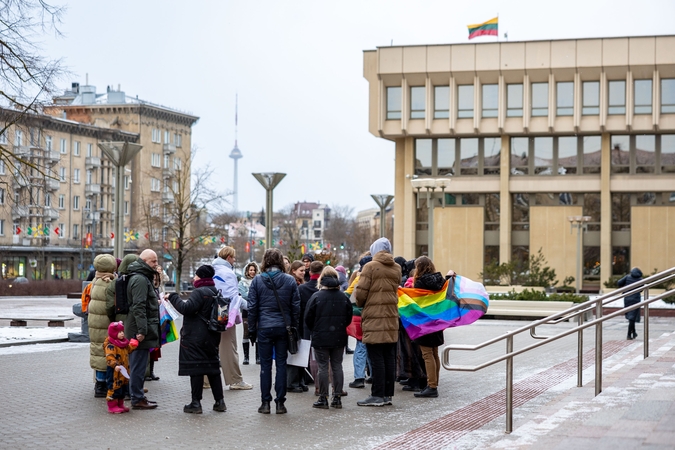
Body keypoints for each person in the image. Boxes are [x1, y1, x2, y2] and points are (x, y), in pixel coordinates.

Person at [248, 248, 301, 414]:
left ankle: (265, 403)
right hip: (283, 328)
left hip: (264, 327)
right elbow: (296, 307)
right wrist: (293, 326)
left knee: (265, 366)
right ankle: (280, 403)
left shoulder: (257, 281)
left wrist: (251, 330)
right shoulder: (290, 281)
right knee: (281, 364)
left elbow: (252, 308)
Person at [168, 265, 227, 414]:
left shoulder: (199, 292)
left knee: (196, 368)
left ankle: (196, 403)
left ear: (201, 277)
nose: (194, 278)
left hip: (196, 337)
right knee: (213, 368)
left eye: (196, 275)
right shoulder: (215, 291)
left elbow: (186, 309)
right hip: (212, 335)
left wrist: (173, 297)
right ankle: (219, 401)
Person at [354, 237, 401, 407]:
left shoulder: (370, 267)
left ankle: (377, 394)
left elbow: (360, 295)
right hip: (391, 318)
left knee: (376, 358)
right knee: (389, 357)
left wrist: (359, 302)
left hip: (374, 318)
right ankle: (388, 394)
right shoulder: (397, 267)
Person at [305, 266, 353, 409]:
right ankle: (337, 397)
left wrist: (316, 328)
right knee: (337, 366)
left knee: (323, 367)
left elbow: (308, 318)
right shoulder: (343, 297)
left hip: (321, 337)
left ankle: (323, 397)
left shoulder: (316, 297)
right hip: (339, 336)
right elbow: (348, 318)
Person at [213, 247, 253, 390]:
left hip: (209, 313)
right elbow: (233, 298)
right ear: (229, 257)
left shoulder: (211, 269)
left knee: (210, 347)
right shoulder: (228, 273)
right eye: (234, 258)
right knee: (228, 347)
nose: (234, 260)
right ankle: (235, 379)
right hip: (224, 314)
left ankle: (205, 380)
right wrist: (251, 306)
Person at [126, 249, 161, 410]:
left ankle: (138, 396)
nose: (156, 264)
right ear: (145, 261)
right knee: (138, 366)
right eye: (153, 261)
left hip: (140, 327)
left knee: (139, 364)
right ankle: (137, 398)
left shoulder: (142, 276)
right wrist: (141, 331)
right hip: (138, 330)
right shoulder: (140, 279)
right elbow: (138, 307)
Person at [409, 257, 449, 399]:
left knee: (427, 354)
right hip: (437, 321)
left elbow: (417, 303)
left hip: (425, 322)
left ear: (419, 267)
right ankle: (434, 383)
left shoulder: (420, 283)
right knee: (434, 353)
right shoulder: (441, 280)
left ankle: (431, 386)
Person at [288, 260, 323, 393]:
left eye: (304, 270)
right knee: (297, 354)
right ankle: (293, 382)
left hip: (303, 323)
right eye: (301, 271)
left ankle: (300, 381)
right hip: (300, 324)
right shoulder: (298, 286)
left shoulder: (302, 286)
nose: (303, 273)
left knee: (301, 354)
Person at [87, 254, 118, 398]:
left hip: (94, 324)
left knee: (98, 351)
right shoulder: (109, 282)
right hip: (106, 324)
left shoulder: (95, 280)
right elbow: (111, 305)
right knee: (106, 353)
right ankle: (102, 385)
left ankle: (99, 384)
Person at [346, 254, 372, 389]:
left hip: (361, 317)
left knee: (361, 347)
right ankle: (373, 375)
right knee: (373, 348)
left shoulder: (359, 280)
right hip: (375, 318)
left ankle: (359, 377)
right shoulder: (378, 278)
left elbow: (349, 297)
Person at [104, 321, 138, 414]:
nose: (122, 333)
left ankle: (120, 404)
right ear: (114, 333)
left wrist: (133, 345)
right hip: (114, 371)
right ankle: (112, 406)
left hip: (123, 371)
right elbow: (109, 357)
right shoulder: (111, 345)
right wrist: (115, 365)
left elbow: (128, 349)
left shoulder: (123, 343)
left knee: (122, 387)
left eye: (122, 331)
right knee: (114, 388)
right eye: (119, 332)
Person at [105, 254, 139, 324]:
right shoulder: (141, 281)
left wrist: (113, 319)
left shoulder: (115, 282)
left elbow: (110, 306)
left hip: (120, 320)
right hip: (138, 320)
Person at [238, 261, 260, 365]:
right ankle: (246, 357)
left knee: (257, 332)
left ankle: (258, 357)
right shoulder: (242, 282)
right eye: (251, 270)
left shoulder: (259, 281)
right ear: (247, 271)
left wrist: (251, 294)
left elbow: (259, 294)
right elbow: (243, 295)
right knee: (246, 332)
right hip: (246, 311)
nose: (252, 272)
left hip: (257, 310)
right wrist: (253, 294)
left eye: (254, 270)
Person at [617, 267, 644, 340]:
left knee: (631, 317)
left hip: (627, 299)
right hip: (635, 299)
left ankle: (633, 333)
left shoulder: (627, 277)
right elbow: (641, 289)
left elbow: (619, 283)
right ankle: (629, 335)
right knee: (632, 317)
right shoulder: (641, 280)